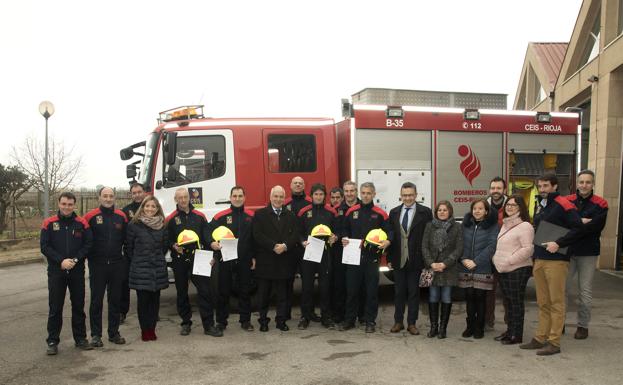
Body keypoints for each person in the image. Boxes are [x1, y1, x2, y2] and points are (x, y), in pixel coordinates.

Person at [520, 173, 583, 356]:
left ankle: (554, 342)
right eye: (540, 186)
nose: (542, 189)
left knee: (556, 302)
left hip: (556, 261)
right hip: (540, 258)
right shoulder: (541, 204)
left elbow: (579, 228)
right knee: (543, 302)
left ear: (555, 186)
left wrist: (560, 243)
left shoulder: (564, 204)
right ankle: (540, 338)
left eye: (546, 185)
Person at [41, 192, 94, 355]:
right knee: (55, 307)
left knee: (78, 306)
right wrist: (61, 261)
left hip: (77, 271)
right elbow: (45, 246)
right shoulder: (49, 223)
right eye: (64, 204)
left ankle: (80, 339)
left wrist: (75, 260)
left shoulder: (82, 223)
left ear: (74, 205)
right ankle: (52, 340)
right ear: (59, 203)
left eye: (70, 204)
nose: (66, 207)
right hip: (57, 272)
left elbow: (88, 244)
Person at [166, 188, 221, 337]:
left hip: (199, 258)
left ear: (189, 198)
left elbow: (206, 235)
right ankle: (185, 323)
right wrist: (172, 246)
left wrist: (212, 245)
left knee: (205, 291)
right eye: (180, 198)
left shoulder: (200, 216)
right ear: (175, 200)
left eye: (185, 197)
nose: (183, 200)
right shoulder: (171, 218)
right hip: (180, 259)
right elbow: (166, 238)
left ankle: (209, 325)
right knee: (182, 292)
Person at [339, 182, 391, 333]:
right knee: (352, 290)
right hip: (353, 257)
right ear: (360, 194)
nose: (366, 195)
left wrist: (388, 241)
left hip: (371, 258)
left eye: (369, 193)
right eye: (363, 193)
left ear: (374, 194)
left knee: (371, 291)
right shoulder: (352, 212)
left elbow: (390, 232)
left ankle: (370, 321)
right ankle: (349, 320)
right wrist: (344, 237)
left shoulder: (381, 214)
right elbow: (344, 229)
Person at [565, 170, 608, 340]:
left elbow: (596, 227)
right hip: (568, 252)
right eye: (581, 182)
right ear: (577, 183)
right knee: (562, 289)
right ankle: (558, 323)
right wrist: (581, 221)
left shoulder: (601, 203)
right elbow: (564, 222)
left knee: (585, 291)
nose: (584, 185)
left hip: (588, 253)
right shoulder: (567, 201)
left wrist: (576, 223)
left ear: (593, 184)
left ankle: (583, 326)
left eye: (588, 182)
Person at [207, 186, 256, 332]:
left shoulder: (251, 216)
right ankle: (221, 322)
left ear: (244, 197)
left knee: (245, 291)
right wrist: (211, 243)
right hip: (225, 259)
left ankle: (245, 321)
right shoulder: (220, 216)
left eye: (240, 196)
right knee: (223, 291)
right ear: (230, 197)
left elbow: (255, 238)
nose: (237, 198)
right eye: (235, 196)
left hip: (244, 259)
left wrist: (254, 256)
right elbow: (207, 231)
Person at [84, 187, 128, 347]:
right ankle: (96, 335)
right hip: (98, 265)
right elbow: (84, 240)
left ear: (114, 198)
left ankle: (114, 333)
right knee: (96, 301)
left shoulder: (121, 216)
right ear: (99, 198)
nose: (108, 199)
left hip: (117, 265)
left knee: (115, 300)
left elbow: (127, 240)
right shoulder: (90, 216)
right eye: (105, 196)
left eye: (111, 196)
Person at [253, 185, 300, 331]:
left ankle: (281, 321)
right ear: (270, 197)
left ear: (284, 198)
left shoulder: (291, 215)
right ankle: (263, 321)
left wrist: (285, 246)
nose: (278, 199)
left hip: (284, 260)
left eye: (281, 197)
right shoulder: (260, 214)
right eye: (276, 196)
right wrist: (273, 246)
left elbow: (295, 235)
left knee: (282, 295)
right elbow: (257, 235)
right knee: (264, 295)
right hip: (266, 260)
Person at [387, 182, 432, 335]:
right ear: (401, 196)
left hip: (416, 259)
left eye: (410, 195)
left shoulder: (425, 212)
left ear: (416, 195)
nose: (407, 198)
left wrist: (427, 260)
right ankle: (398, 321)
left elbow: (428, 237)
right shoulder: (393, 212)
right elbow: (391, 236)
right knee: (399, 292)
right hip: (398, 258)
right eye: (404, 195)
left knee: (414, 292)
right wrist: (389, 258)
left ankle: (412, 323)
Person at [125, 195, 169, 341]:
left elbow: (164, 247)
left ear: (157, 209)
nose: (150, 209)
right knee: (143, 302)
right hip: (140, 268)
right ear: (142, 207)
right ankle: (145, 330)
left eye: (153, 207)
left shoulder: (162, 225)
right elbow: (129, 248)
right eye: (147, 206)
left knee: (155, 301)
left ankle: (152, 328)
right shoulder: (134, 225)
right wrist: (139, 260)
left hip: (157, 267)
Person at [492, 194, 534, 345]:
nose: (509, 207)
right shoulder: (505, 224)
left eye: (513, 205)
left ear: (520, 208)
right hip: (503, 269)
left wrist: (509, 261)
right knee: (508, 302)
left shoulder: (525, 226)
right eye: (508, 205)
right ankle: (510, 331)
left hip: (517, 269)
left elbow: (528, 249)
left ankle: (517, 335)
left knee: (516, 303)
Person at [297, 183, 338, 330]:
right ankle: (305, 316)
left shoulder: (331, 212)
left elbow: (337, 231)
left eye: (321, 194)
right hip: (309, 253)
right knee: (307, 286)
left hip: (325, 254)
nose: (318, 197)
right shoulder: (304, 212)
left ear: (324, 196)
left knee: (324, 287)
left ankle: (326, 317)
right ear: (311, 195)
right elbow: (299, 231)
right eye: (316, 194)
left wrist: (335, 237)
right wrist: (302, 241)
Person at [458, 199, 499, 339]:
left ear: (486, 211)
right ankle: (469, 327)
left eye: (480, 208)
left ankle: (479, 328)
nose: (477, 211)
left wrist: (476, 261)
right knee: (469, 298)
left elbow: (492, 246)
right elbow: (459, 243)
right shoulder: (465, 225)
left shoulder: (493, 226)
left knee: (480, 298)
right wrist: (463, 259)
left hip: (482, 267)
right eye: (474, 208)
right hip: (466, 267)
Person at [422, 200, 462, 339]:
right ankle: (434, 327)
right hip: (432, 268)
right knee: (433, 297)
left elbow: (459, 248)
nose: (442, 212)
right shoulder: (429, 226)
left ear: (450, 211)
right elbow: (424, 246)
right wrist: (431, 263)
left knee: (446, 297)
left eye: (445, 210)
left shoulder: (456, 227)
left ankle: (443, 328)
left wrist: (445, 263)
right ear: (436, 212)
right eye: (439, 210)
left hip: (448, 269)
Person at [333, 181, 363, 325]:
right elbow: (335, 228)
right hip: (340, 252)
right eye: (346, 191)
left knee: (360, 286)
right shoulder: (338, 209)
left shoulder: (364, 207)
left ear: (356, 192)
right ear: (343, 193)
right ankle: (341, 314)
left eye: (352, 191)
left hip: (360, 252)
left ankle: (361, 315)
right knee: (341, 284)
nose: (349, 194)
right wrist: (338, 236)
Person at [284, 176, 312, 321]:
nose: (298, 185)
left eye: (300, 183)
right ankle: (286, 312)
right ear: (290, 185)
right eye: (295, 183)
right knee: (288, 282)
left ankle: (308, 313)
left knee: (307, 282)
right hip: (290, 248)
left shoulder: (311, 203)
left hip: (306, 248)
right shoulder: (285, 203)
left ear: (304, 185)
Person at [120, 182, 146, 324]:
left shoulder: (151, 207)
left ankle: (150, 311)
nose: (137, 195)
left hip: (147, 254)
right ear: (131, 195)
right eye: (134, 193)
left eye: (139, 192)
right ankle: (122, 312)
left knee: (147, 284)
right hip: (130, 254)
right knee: (124, 282)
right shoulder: (126, 211)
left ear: (144, 192)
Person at [486, 176, 508, 329]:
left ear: (504, 190)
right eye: (493, 188)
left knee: (507, 292)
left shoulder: (512, 205)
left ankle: (510, 323)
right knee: (489, 291)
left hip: (507, 256)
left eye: (498, 188)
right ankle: (488, 322)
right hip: (488, 256)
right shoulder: (483, 206)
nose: (495, 191)